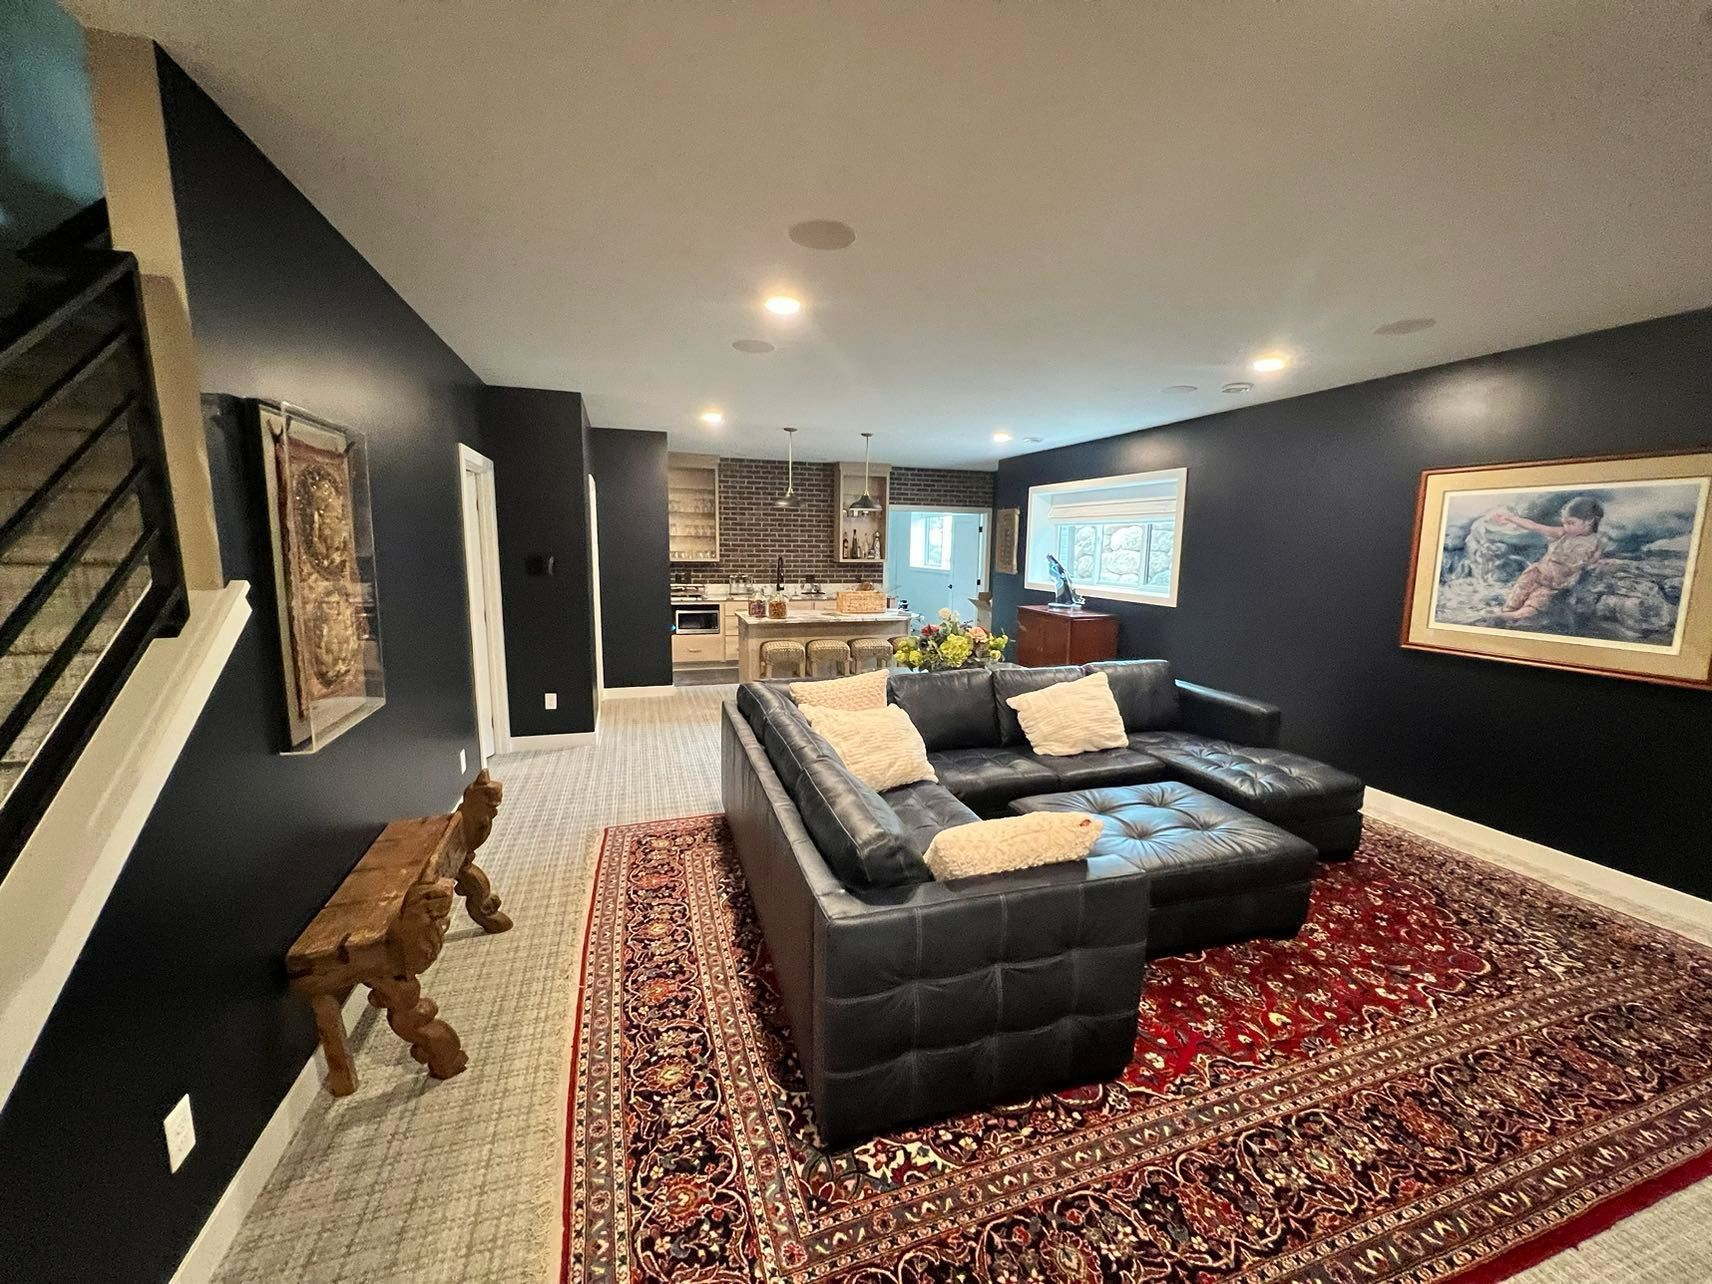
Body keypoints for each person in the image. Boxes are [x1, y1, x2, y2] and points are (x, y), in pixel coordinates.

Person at [1486, 496, 1605, 620]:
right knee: (1524, 585)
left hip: (1558, 583)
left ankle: (1517, 615)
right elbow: (1534, 526)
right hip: (1540, 573)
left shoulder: (1597, 541)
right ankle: (1508, 610)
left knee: (1538, 601)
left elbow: (1592, 563)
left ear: (1589, 521)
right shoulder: (1562, 533)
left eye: (1571, 523)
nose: (1566, 526)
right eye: (1564, 522)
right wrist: (1510, 518)